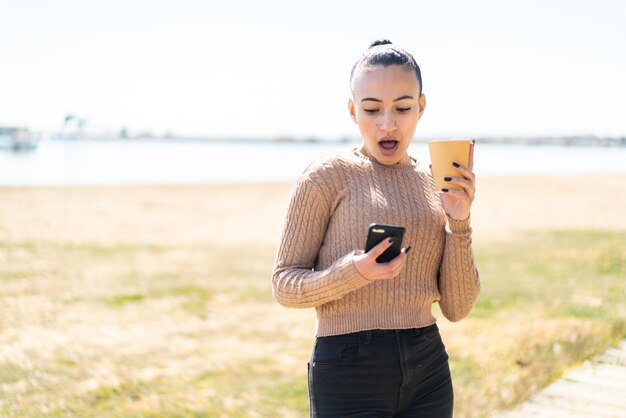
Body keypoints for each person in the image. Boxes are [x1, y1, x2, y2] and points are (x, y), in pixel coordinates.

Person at [271, 39, 480, 418]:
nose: (388, 123)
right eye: (371, 109)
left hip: (428, 366)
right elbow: (285, 285)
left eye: (402, 108)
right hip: (349, 370)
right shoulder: (325, 176)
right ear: (352, 110)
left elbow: (458, 307)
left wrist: (460, 222)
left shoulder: (433, 181)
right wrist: (355, 272)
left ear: (421, 107)